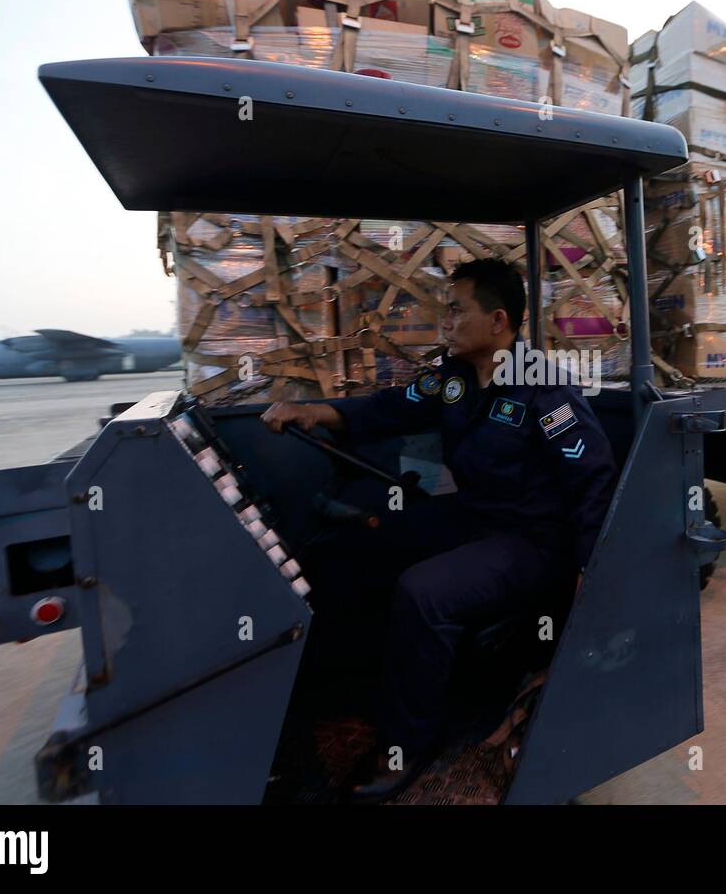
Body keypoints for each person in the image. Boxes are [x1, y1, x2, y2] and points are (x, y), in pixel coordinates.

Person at [262, 258, 618, 803]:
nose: (444, 322)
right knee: (360, 542)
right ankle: (348, 684)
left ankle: (405, 744)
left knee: (424, 593)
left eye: (456, 310)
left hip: (533, 543)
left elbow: (592, 484)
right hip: (474, 521)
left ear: (498, 320)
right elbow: (388, 409)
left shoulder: (546, 392)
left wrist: (588, 578)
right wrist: (315, 413)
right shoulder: (452, 380)